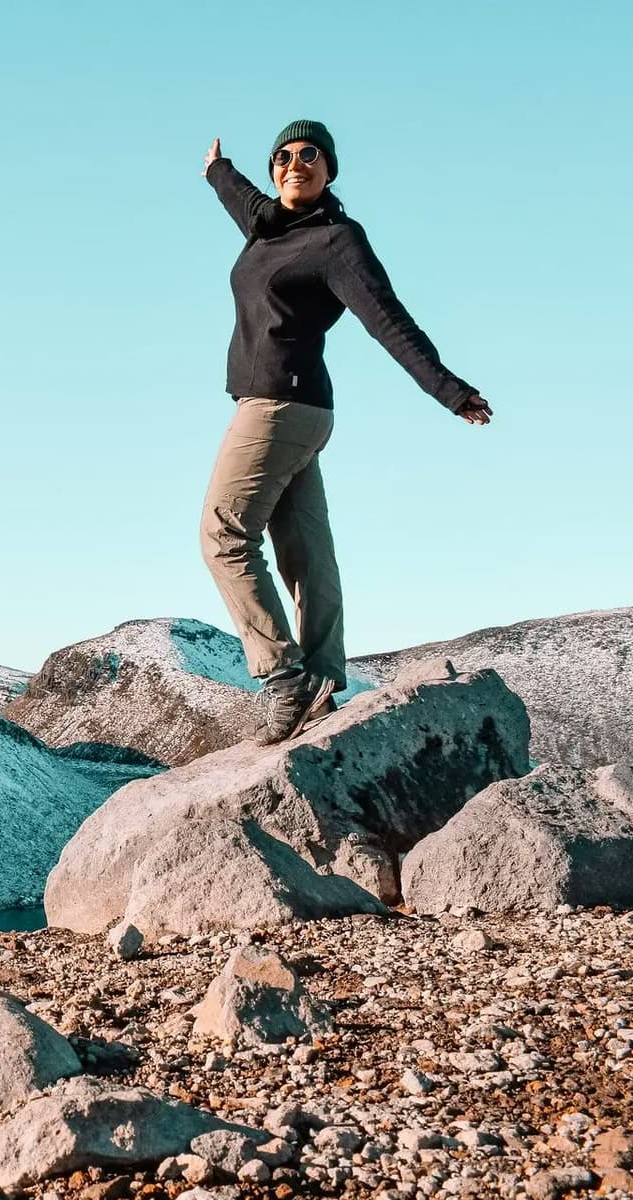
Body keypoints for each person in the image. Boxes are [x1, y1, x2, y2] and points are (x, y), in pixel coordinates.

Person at [198, 120, 492, 746]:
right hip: (297, 411)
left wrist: (448, 389)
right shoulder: (266, 224)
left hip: (278, 407)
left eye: (310, 155)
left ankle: (283, 676)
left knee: (223, 533)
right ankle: (325, 681)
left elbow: (388, 319)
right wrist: (217, 172)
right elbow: (243, 198)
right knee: (305, 549)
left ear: (330, 170)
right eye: (283, 156)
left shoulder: (337, 241)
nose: (294, 163)